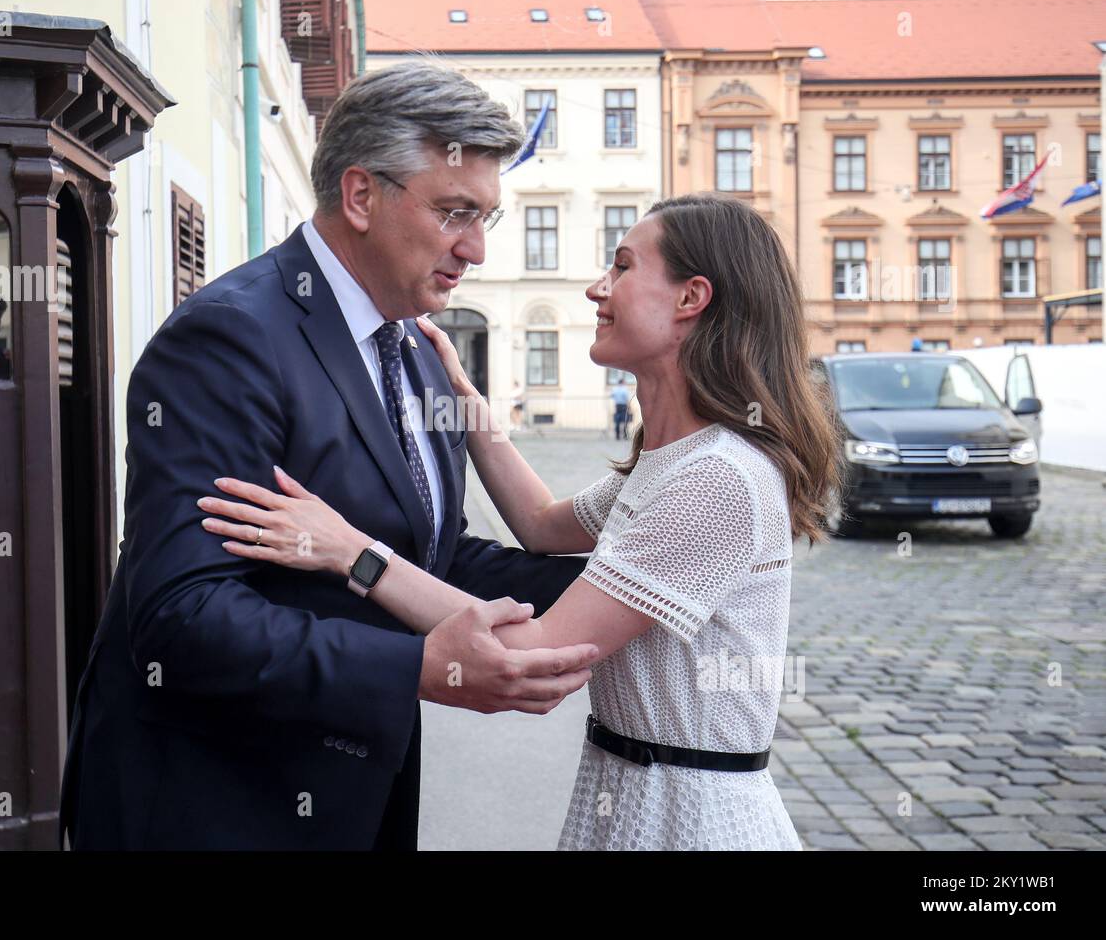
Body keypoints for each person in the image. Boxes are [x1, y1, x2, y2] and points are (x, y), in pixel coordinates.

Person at [59, 62, 598, 851]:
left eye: (488, 216)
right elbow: (183, 615)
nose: (476, 248)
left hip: (354, 794)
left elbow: (427, 553)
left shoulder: (414, 343)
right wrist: (415, 665)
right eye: (455, 213)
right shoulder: (230, 339)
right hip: (220, 805)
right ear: (360, 196)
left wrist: (625, 585)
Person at [201, 193, 842, 850]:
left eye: (622, 267)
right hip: (630, 785)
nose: (598, 288)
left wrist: (352, 553)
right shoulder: (669, 459)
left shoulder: (717, 477)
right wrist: (470, 408)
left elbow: (534, 652)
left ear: (690, 299)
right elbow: (540, 524)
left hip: (688, 814)